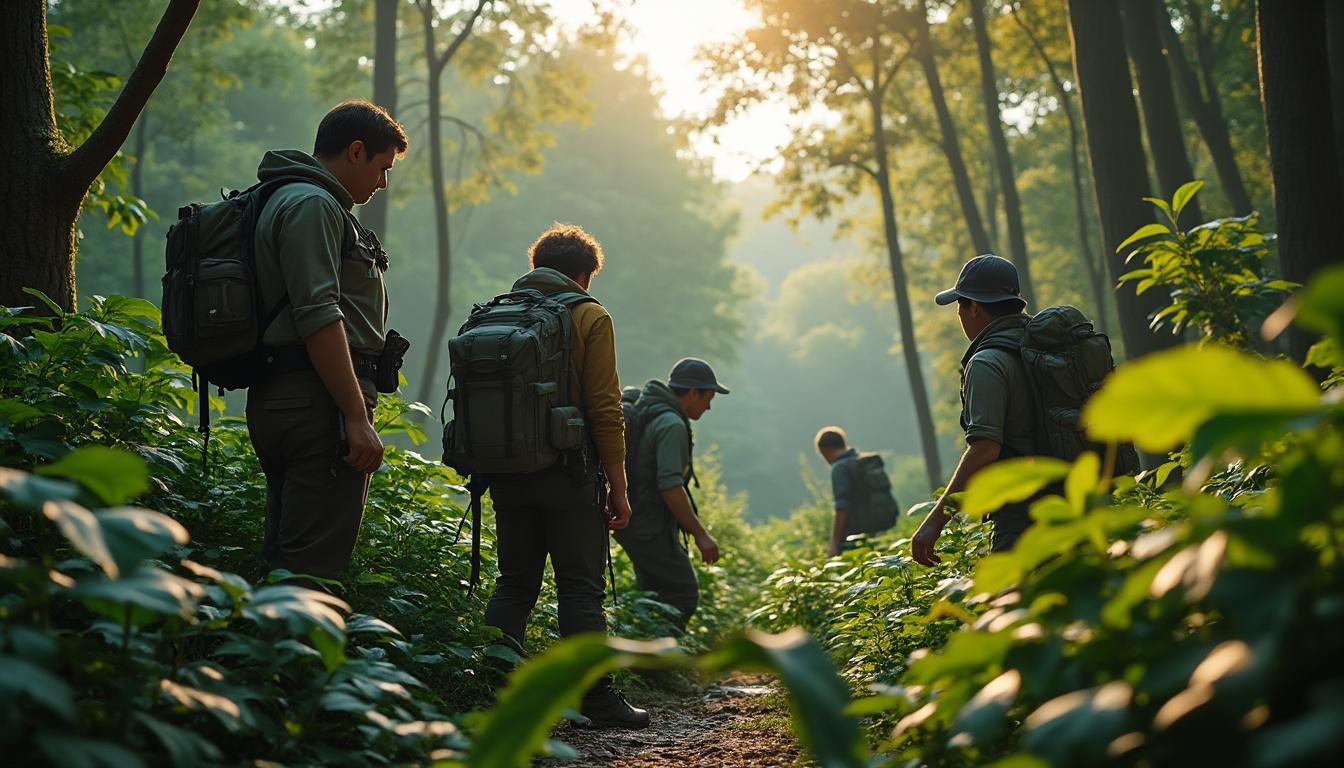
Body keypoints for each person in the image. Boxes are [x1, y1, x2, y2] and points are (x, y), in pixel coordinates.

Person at [480, 223, 648, 729]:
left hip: (506, 473)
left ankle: (493, 693)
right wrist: (619, 487)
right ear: (582, 274)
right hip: (568, 474)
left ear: (536, 268)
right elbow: (604, 408)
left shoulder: (494, 314)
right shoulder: (588, 315)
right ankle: (593, 700)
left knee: (514, 584)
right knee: (579, 589)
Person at [246, 99, 407, 584]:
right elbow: (317, 314)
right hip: (317, 403)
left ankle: (257, 653)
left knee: (286, 559)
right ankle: (291, 657)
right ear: (356, 151)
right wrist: (355, 416)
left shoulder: (290, 199)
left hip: (289, 395)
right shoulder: (313, 205)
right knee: (310, 577)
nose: (382, 183)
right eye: (383, 168)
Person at [912, 254, 1036, 567]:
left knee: (1015, 609)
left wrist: (935, 522)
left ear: (975, 308)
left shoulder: (987, 362)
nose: (960, 316)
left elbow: (984, 450)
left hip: (1024, 515)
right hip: (1080, 499)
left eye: (959, 306)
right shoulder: (1042, 345)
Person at [616, 358, 728, 633]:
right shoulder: (671, 424)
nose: (709, 406)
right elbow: (670, 486)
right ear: (692, 392)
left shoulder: (653, 410)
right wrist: (701, 534)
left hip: (634, 520)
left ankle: (643, 659)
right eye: (708, 397)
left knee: (653, 594)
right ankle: (657, 664)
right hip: (649, 525)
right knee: (682, 594)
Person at [814, 426, 897, 557]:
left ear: (826, 450)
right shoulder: (862, 461)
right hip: (879, 528)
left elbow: (841, 507)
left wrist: (835, 541)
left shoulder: (840, 468)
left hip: (856, 535)